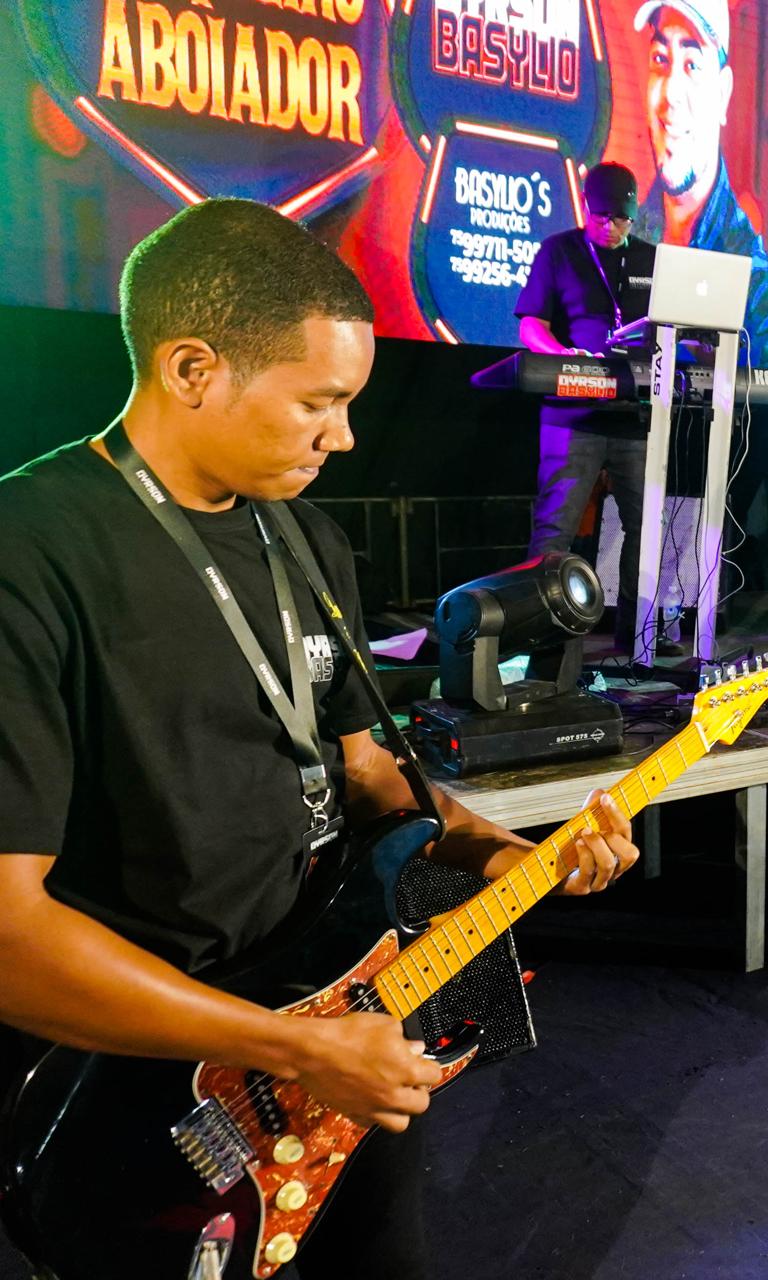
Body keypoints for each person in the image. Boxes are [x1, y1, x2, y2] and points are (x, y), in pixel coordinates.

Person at [0, 198, 639, 1275]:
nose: (341, 435)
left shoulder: (305, 537)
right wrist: (289, 1043)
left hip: (344, 1016)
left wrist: (508, 855)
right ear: (192, 369)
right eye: (319, 401)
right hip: (152, 1084)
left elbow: (369, 772)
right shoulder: (31, 550)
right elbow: (11, 938)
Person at [518, 161, 659, 641]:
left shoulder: (652, 259)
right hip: (572, 413)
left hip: (635, 413)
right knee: (555, 526)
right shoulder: (559, 250)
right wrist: (562, 355)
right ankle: (542, 632)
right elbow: (531, 325)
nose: (611, 227)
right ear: (585, 207)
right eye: (602, 217)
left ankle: (638, 636)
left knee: (647, 526)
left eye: (622, 219)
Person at [635, 0, 768, 367]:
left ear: (723, 94)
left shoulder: (751, 276)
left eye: (692, 65)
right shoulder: (631, 233)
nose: (671, 94)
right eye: (660, 59)